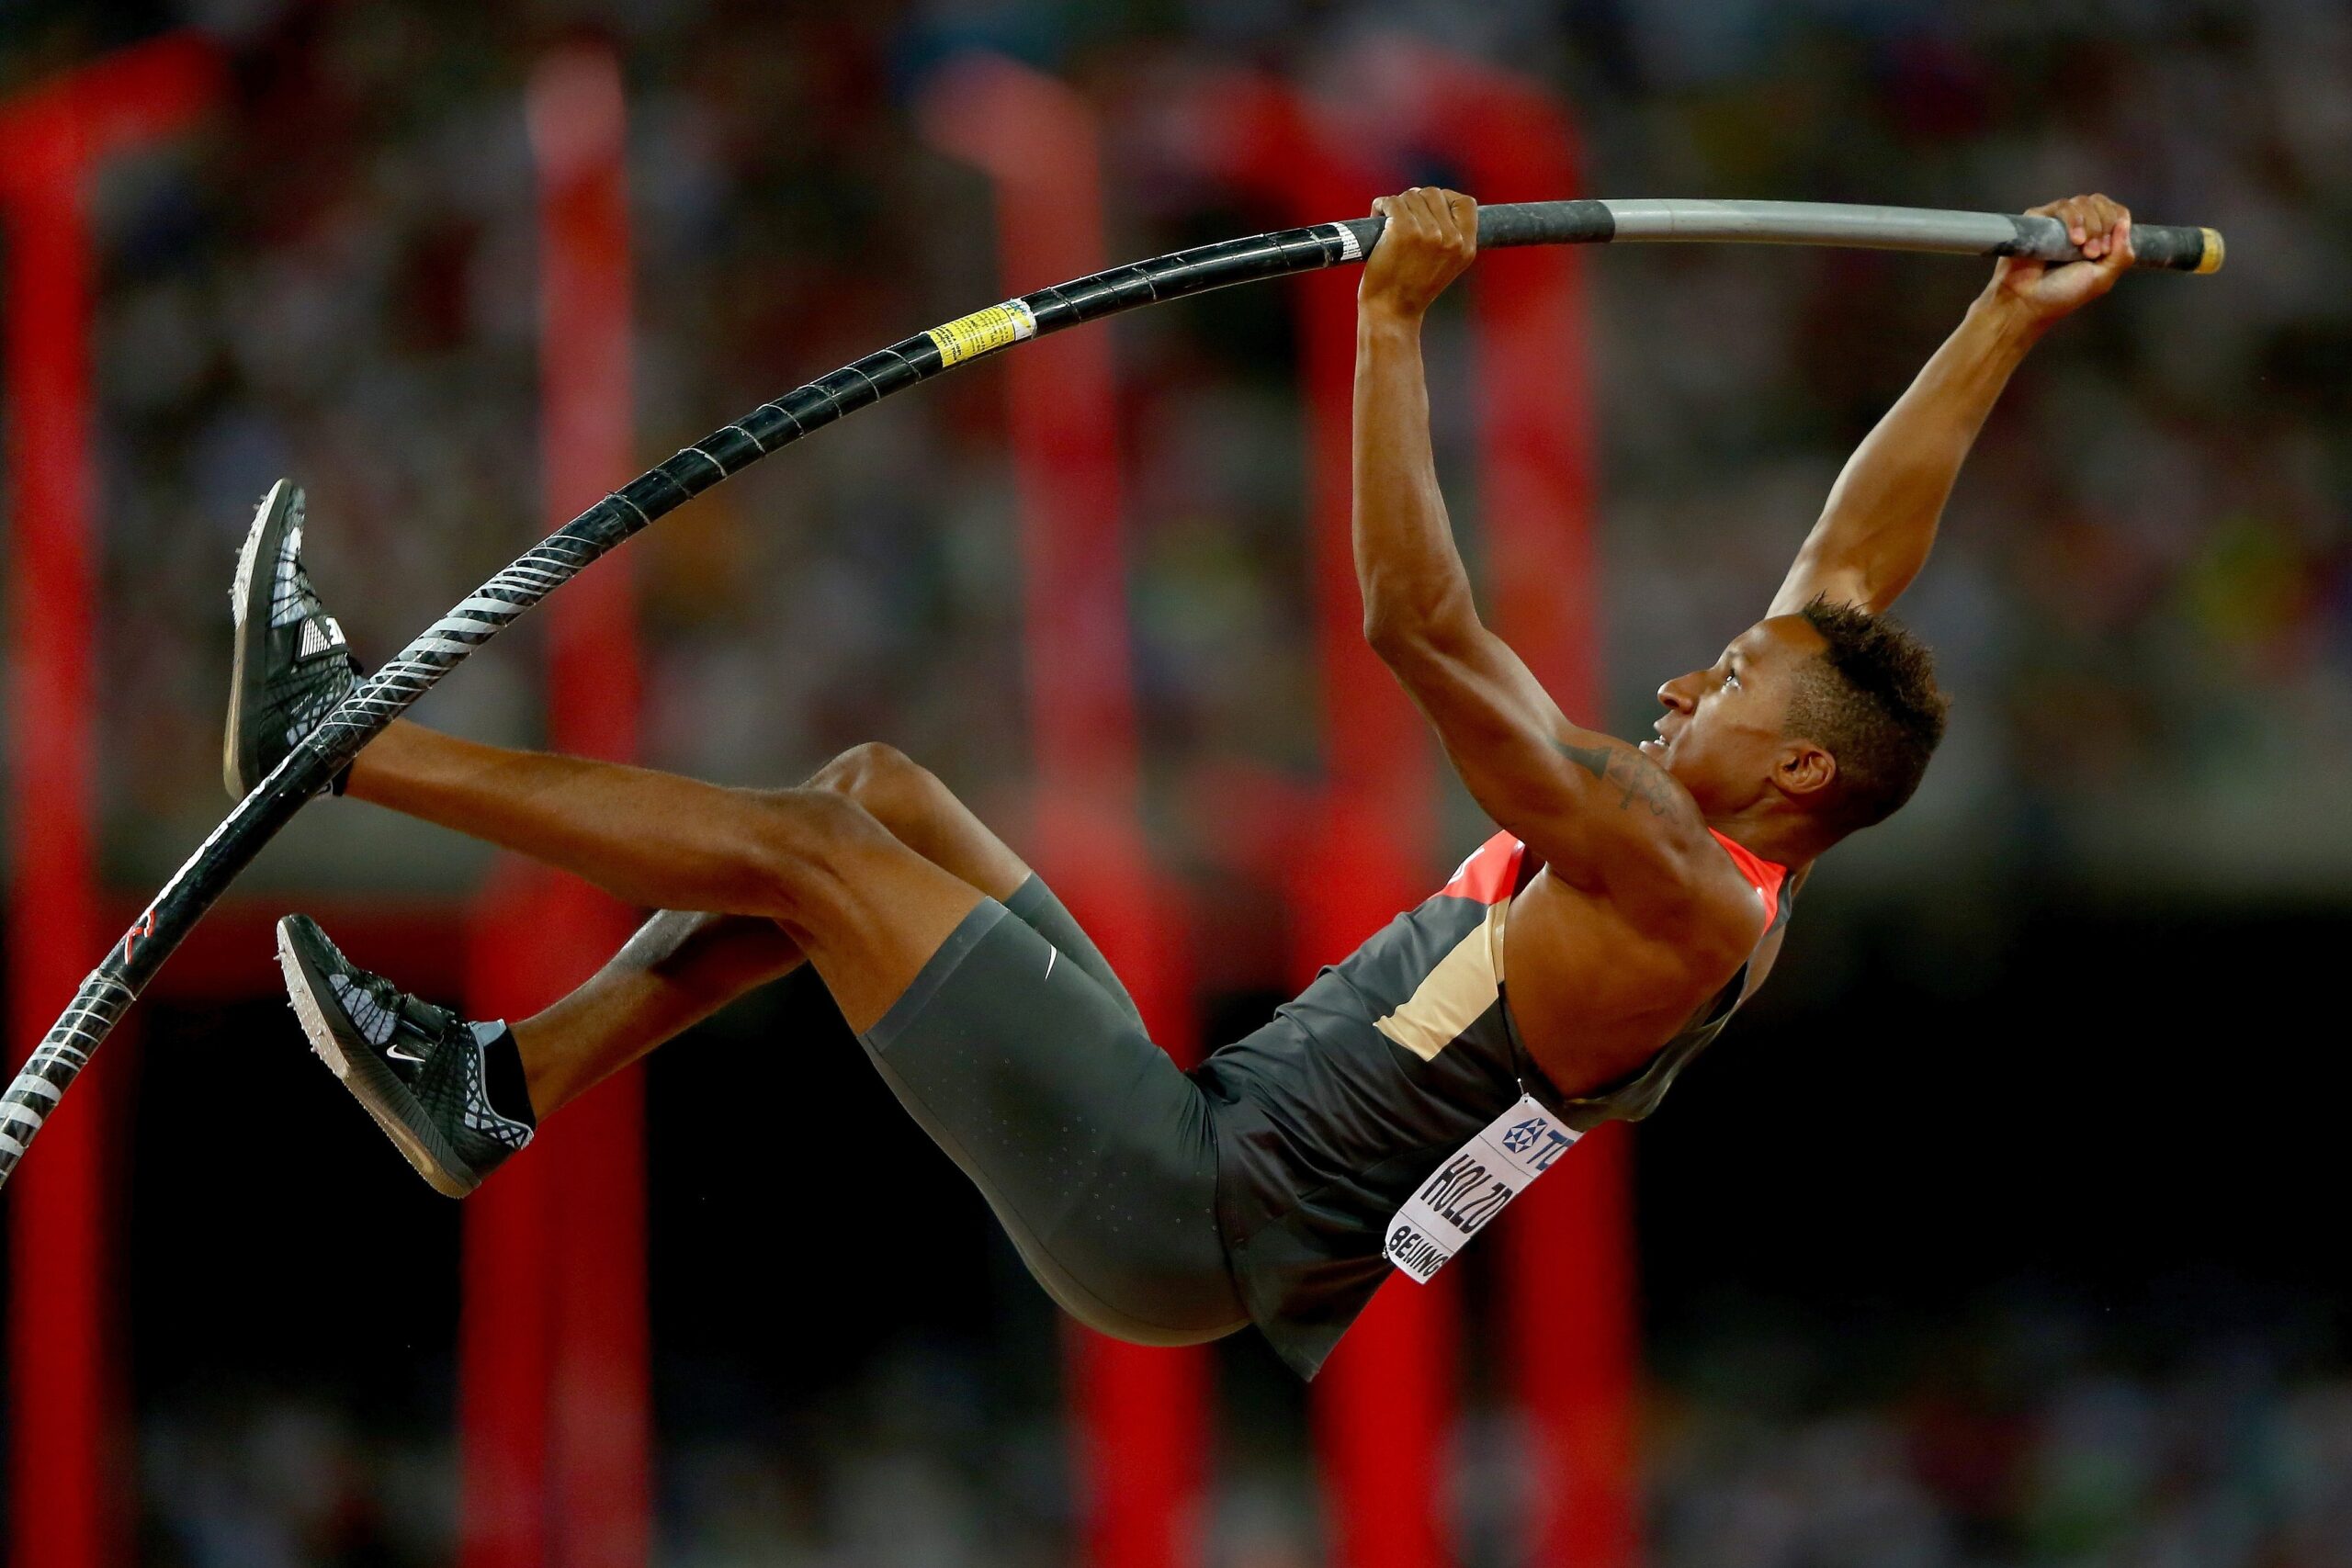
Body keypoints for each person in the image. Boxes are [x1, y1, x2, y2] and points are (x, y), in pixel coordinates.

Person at [238, 188, 2135, 1379]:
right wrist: (1997, 321)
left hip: (1181, 1209)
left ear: (1792, 766)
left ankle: (351, 744)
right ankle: (495, 1085)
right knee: (875, 790)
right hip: (1193, 1129)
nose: (1679, 674)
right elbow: (1843, 576)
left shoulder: (1670, 876)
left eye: (1720, 682)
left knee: (816, 857)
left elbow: (1417, 628)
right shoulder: (1744, 817)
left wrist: (1392, 323)